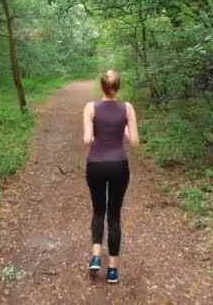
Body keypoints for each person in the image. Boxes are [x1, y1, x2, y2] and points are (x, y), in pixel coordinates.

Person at [82, 70, 139, 284]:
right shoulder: (127, 108)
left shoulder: (90, 108)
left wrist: (96, 133)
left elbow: (87, 140)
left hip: (95, 165)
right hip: (118, 166)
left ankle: (96, 255)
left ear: (101, 86)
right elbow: (133, 141)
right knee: (114, 216)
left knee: (98, 210)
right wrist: (122, 130)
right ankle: (113, 271)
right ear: (119, 87)